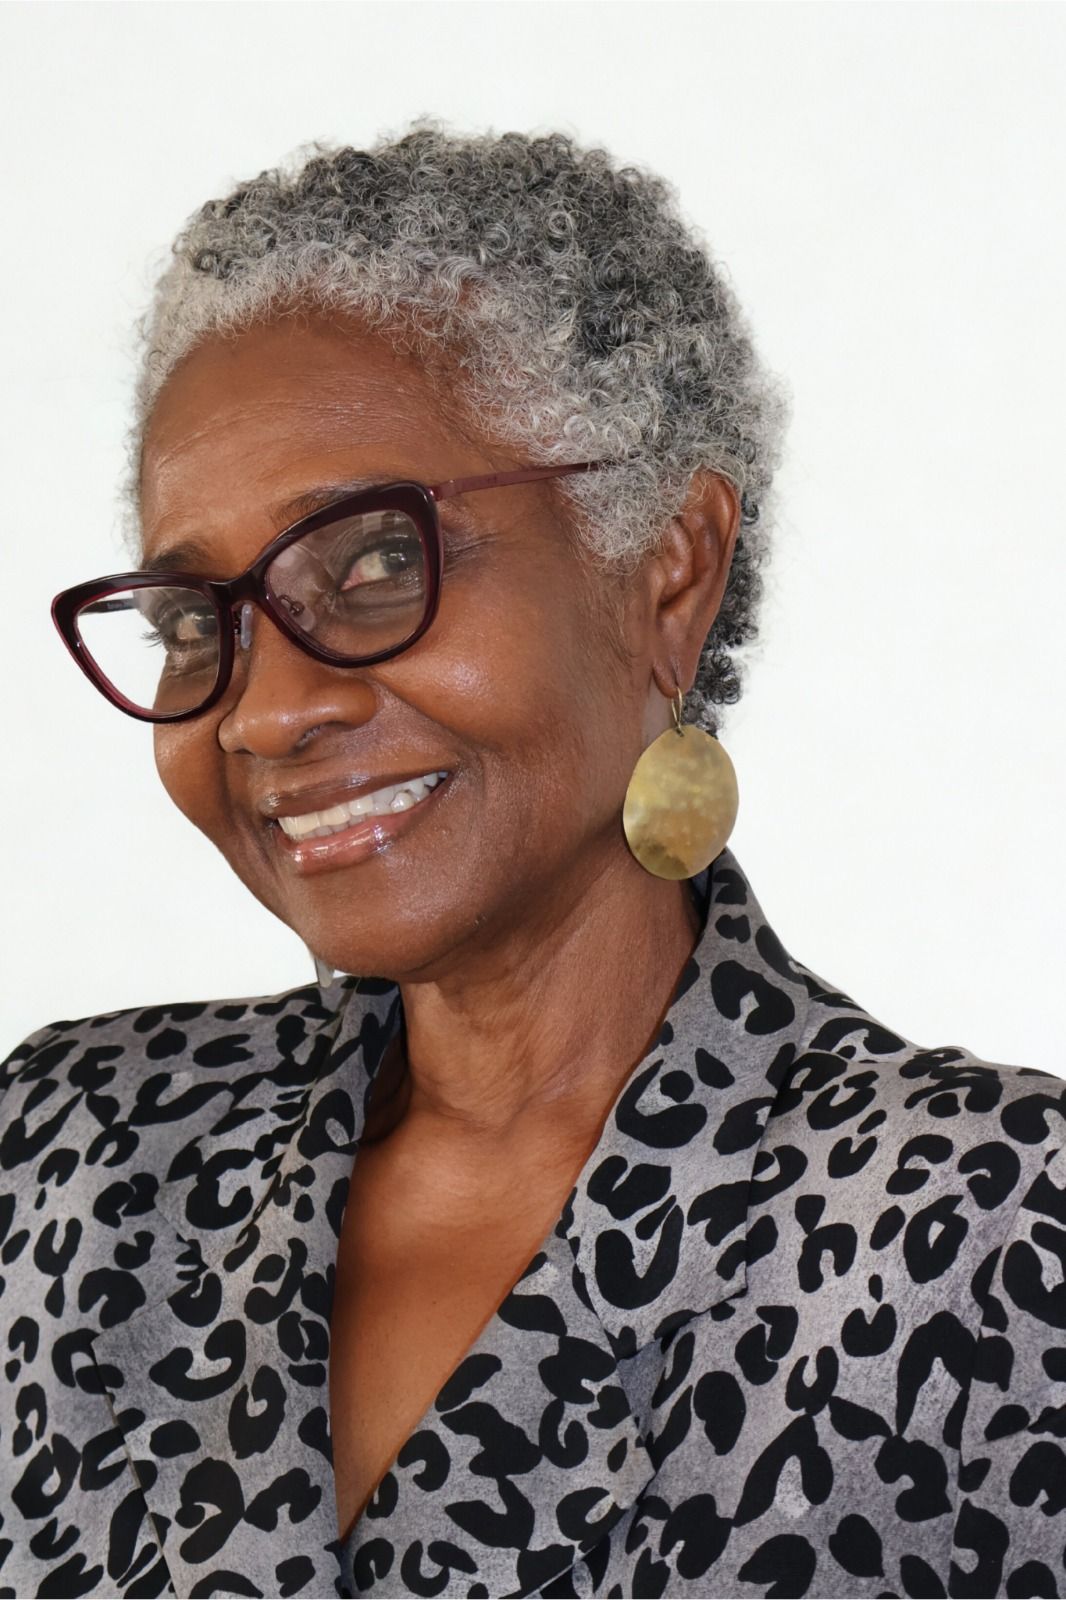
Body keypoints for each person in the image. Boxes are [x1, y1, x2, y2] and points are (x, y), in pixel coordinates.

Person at [2, 124, 1062, 1600]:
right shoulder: (74, 1159)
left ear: (667, 575)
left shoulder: (981, 1225)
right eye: (198, 617)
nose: (264, 707)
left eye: (374, 560)